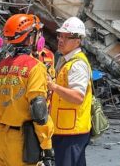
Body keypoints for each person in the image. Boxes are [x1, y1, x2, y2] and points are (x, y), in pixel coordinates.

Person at [0, 13, 55, 166]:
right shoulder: (35, 67)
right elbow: (39, 110)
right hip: (23, 143)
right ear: (30, 37)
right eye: (38, 33)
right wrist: (47, 147)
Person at [48, 16, 93, 166]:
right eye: (60, 36)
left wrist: (53, 87)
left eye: (67, 37)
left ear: (78, 40)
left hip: (72, 131)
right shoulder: (65, 60)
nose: (61, 40)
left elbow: (78, 97)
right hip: (65, 129)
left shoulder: (77, 64)